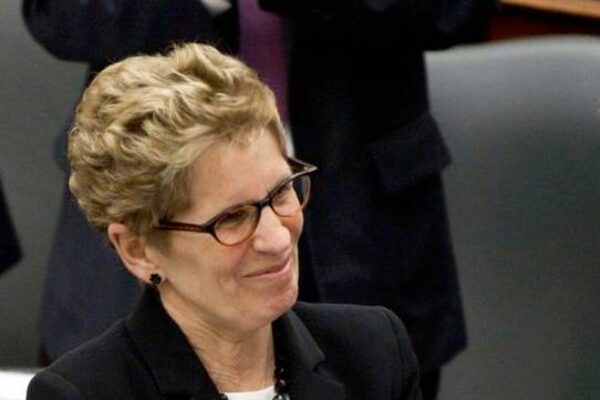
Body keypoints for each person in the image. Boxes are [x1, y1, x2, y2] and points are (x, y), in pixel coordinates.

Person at [24, 2, 495, 397]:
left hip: (366, 212)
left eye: (283, 192)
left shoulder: (379, 352)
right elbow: (60, 13)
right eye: (233, 219)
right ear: (135, 249)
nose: (276, 239)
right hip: (151, 182)